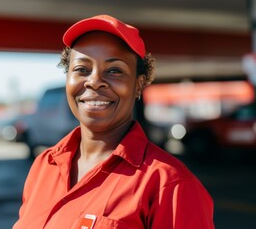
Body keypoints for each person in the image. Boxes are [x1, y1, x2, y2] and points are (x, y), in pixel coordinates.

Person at [13, 15, 214, 229]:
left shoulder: (170, 183)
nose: (95, 81)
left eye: (114, 70)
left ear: (138, 85)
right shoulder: (44, 165)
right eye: (81, 69)